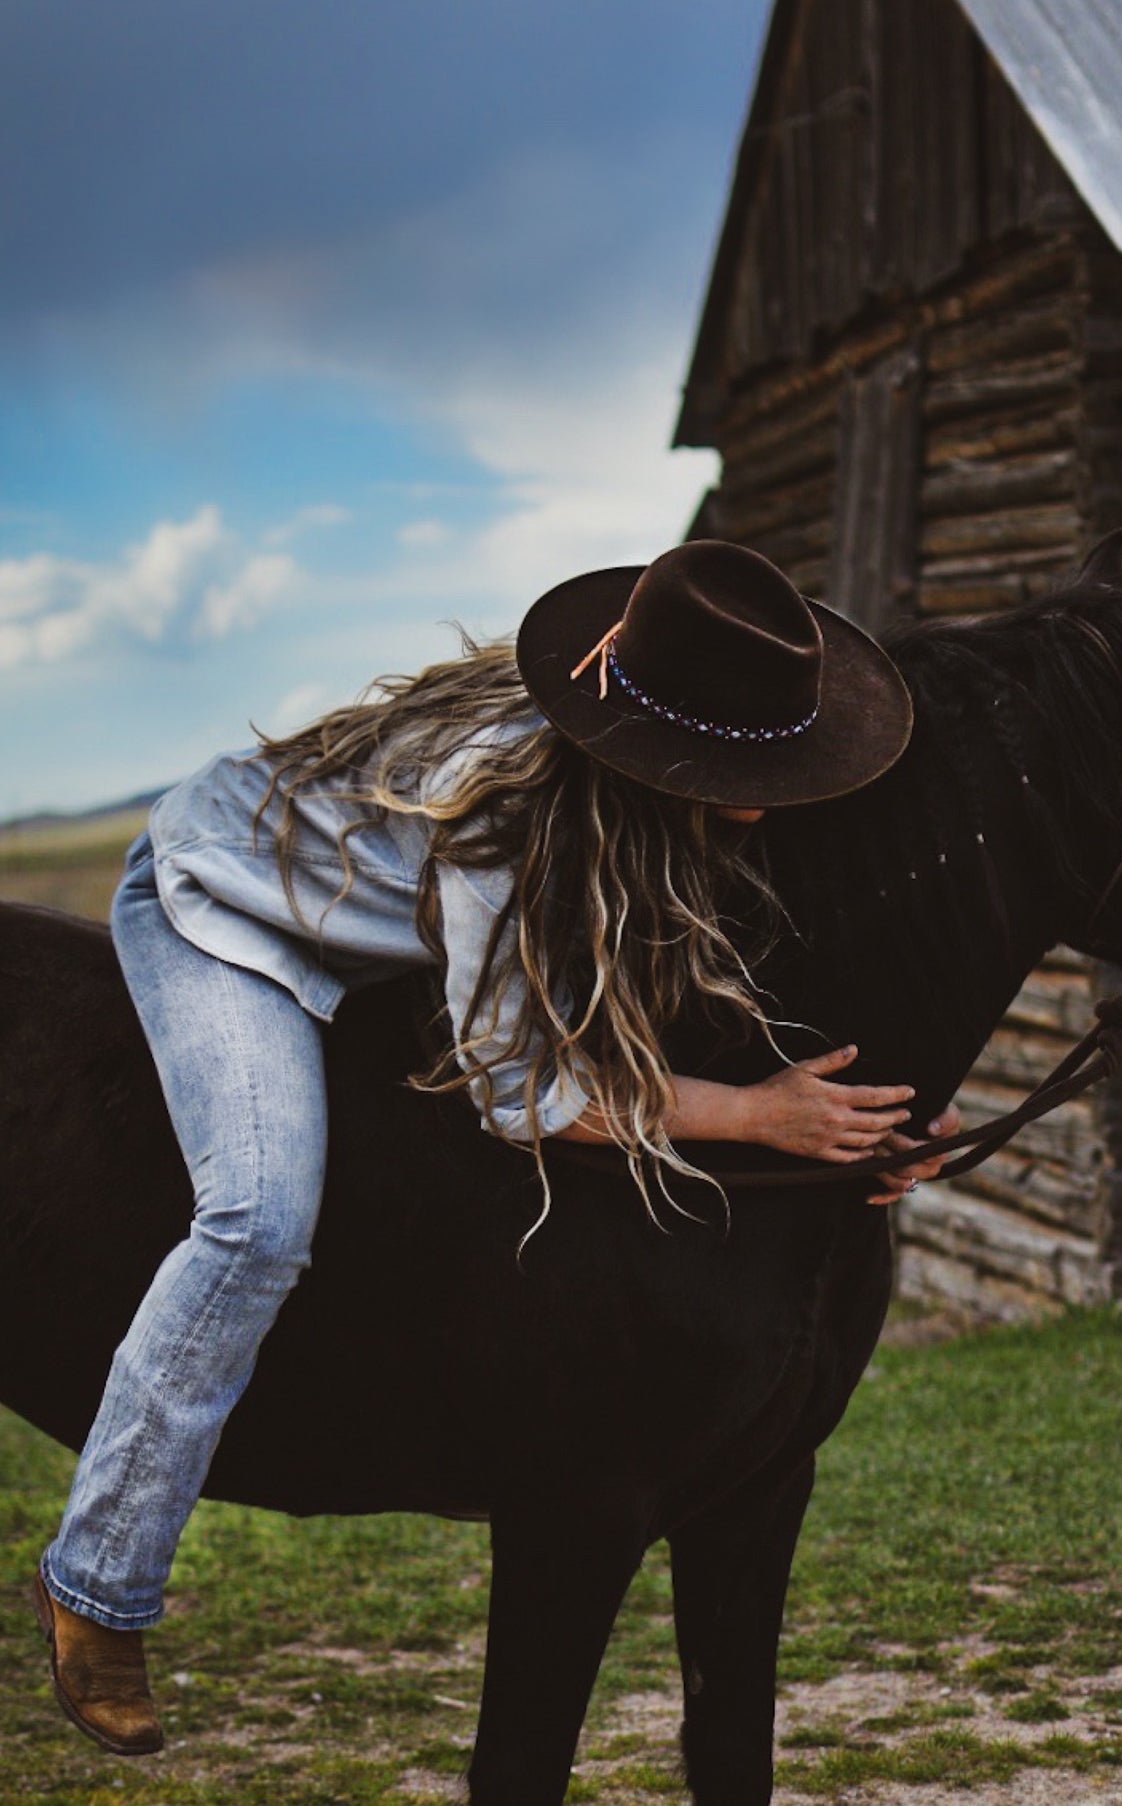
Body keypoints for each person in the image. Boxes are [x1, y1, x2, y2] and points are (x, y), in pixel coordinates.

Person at [32, 539, 959, 1756]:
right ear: (682, 748)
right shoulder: (505, 821)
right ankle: (97, 1582)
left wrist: (852, 1135)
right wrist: (747, 1115)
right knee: (257, 1215)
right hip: (229, 904)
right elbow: (525, 1094)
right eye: (757, 759)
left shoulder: (652, 776)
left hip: (375, 918)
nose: (782, 782)